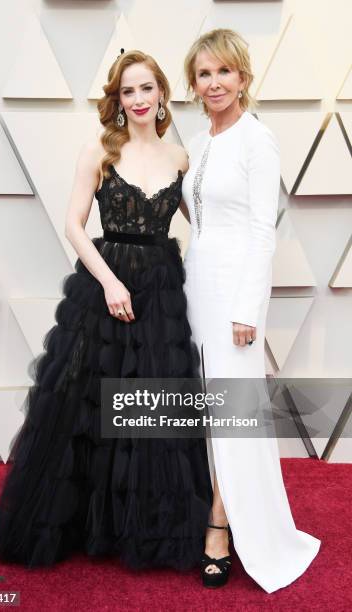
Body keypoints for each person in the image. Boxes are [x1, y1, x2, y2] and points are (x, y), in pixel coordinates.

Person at [0, 50, 213, 571]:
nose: (137, 99)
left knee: (151, 406)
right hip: (105, 284)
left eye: (146, 89)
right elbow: (73, 223)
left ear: (162, 95)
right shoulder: (100, 151)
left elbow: (206, 221)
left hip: (160, 291)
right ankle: (83, 525)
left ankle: (145, 528)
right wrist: (109, 282)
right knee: (85, 405)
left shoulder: (182, 159)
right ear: (118, 99)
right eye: (128, 91)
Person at [181, 29, 321, 591]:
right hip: (196, 283)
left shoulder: (257, 140)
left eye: (224, 72)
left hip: (234, 292)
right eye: (204, 74)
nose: (214, 83)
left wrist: (247, 309)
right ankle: (214, 506)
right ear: (193, 83)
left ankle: (221, 524)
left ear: (243, 78)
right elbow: (199, 220)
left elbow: (263, 231)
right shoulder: (197, 140)